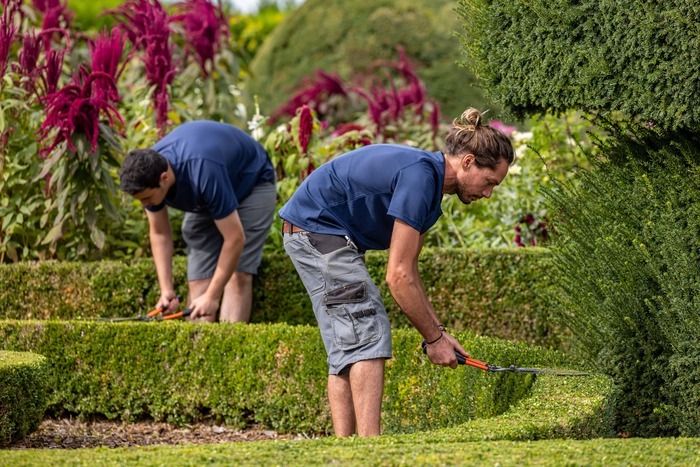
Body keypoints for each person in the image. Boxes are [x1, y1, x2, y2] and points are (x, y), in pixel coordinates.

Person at [279, 108, 514, 437]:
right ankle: (370, 451)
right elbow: (397, 277)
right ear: (468, 162)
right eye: (489, 182)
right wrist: (433, 341)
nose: (488, 193)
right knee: (367, 329)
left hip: (313, 231)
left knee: (349, 342)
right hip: (317, 229)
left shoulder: (430, 189)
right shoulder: (420, 177)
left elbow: (410, 274)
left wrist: (439, 334)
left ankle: (347, 452)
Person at [119, 120, 277, 322]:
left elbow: (235, 238)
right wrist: (166, 290)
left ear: (164, 178)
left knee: (238, 275)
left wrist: (212, 297)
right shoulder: (147, 173)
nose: (145, 204)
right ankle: (199, 350)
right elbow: (160, 233)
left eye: (147, 199)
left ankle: (230, 350)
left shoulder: (203, 172)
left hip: (251, 183)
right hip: (210, 190)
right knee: (199, 279)